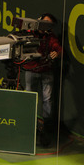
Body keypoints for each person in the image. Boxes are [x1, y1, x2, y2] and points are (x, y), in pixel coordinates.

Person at [23, 13, 62, 145]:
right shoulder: (28, 33)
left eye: (49, 25)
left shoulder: (51, 38)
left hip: (46, 72)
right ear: (38, 20)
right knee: (30, 98)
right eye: (44, 22)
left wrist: (57, 53)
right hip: (31, 70)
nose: (45, 26)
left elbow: (58, 48)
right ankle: (29, 126)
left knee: (47, 99)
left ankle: (46, 128)